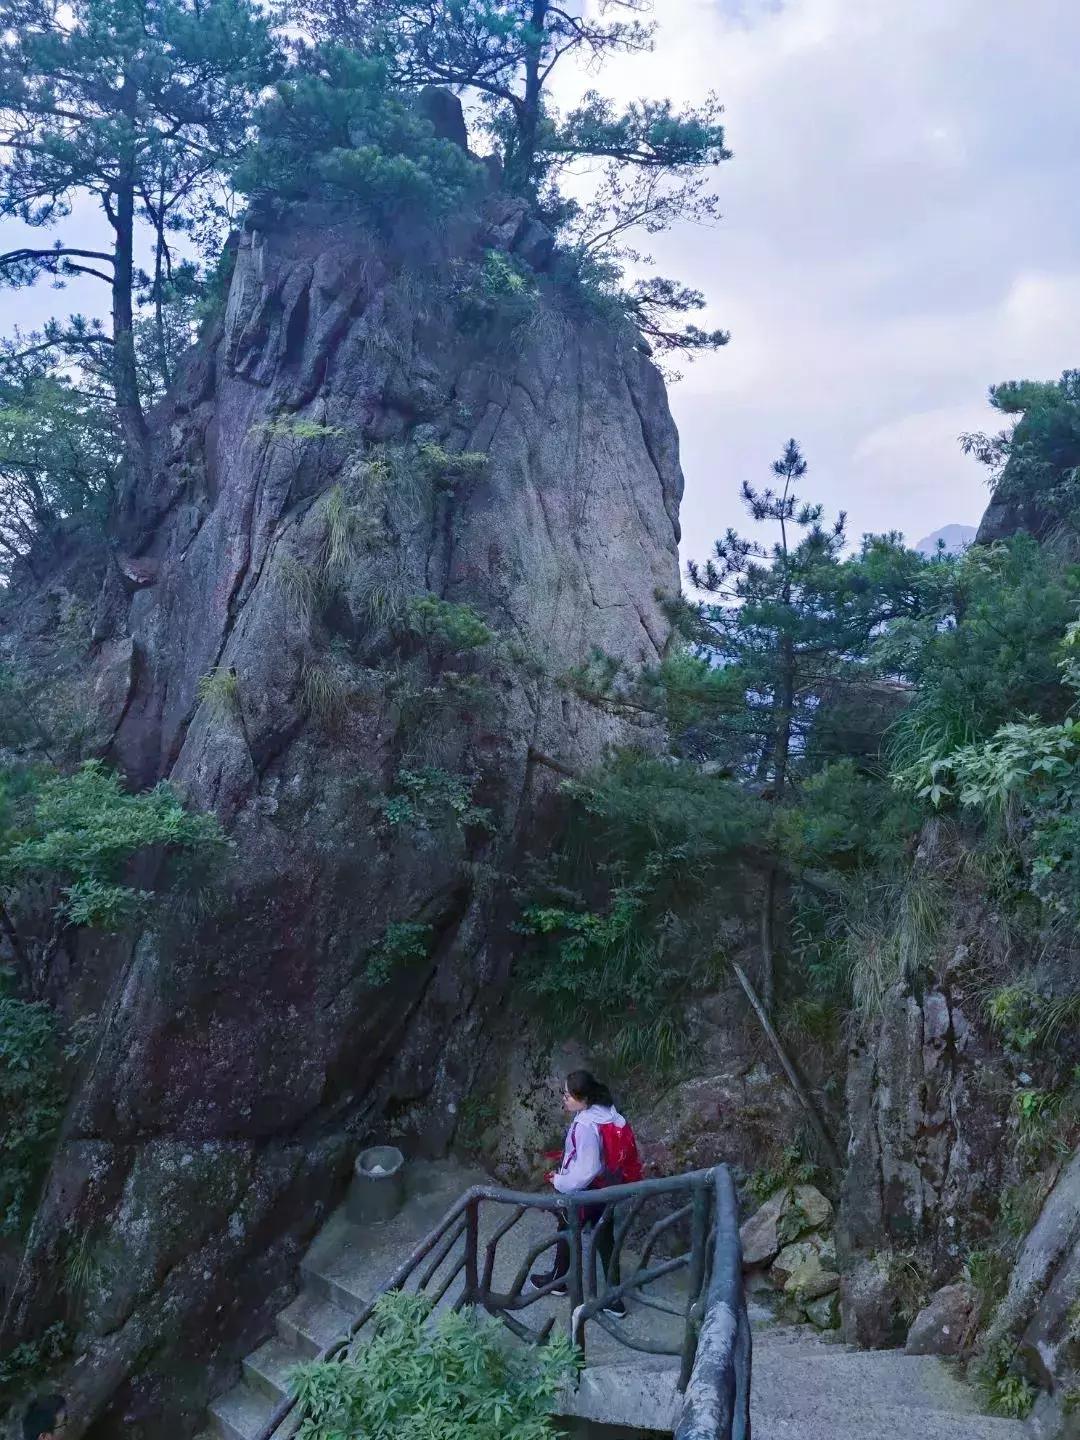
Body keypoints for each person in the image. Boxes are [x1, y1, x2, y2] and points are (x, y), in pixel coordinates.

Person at [527, 1070, 641, 1320]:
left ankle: (559, 1281)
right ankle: (613, 1298)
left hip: (589, 1191)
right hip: (610, 1187)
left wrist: (560, 1181)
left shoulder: (586, 1125)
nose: (564, 1099)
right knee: (604, 1240)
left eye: (567, 1095)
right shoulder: (610, 1114)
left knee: (567, 1227)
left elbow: (586, 1170)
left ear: (584, 1099)